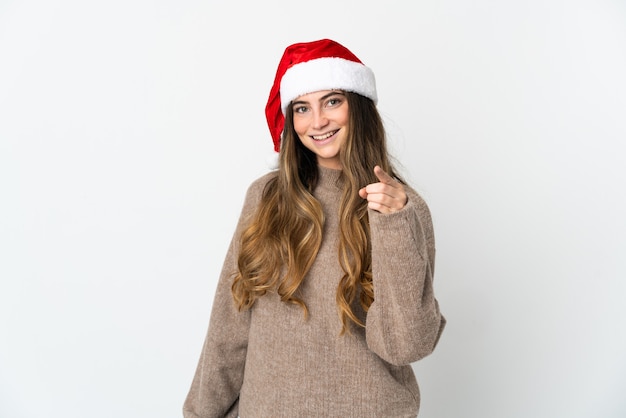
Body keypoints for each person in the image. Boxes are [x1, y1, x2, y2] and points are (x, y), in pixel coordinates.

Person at [183, 38, 446, 418]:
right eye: (303, 108)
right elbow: (229, 328)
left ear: (358, 107)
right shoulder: (266, 197)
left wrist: (393, 226)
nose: (318, 121)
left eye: (333, 101)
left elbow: (406, 346)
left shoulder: (401, 208)